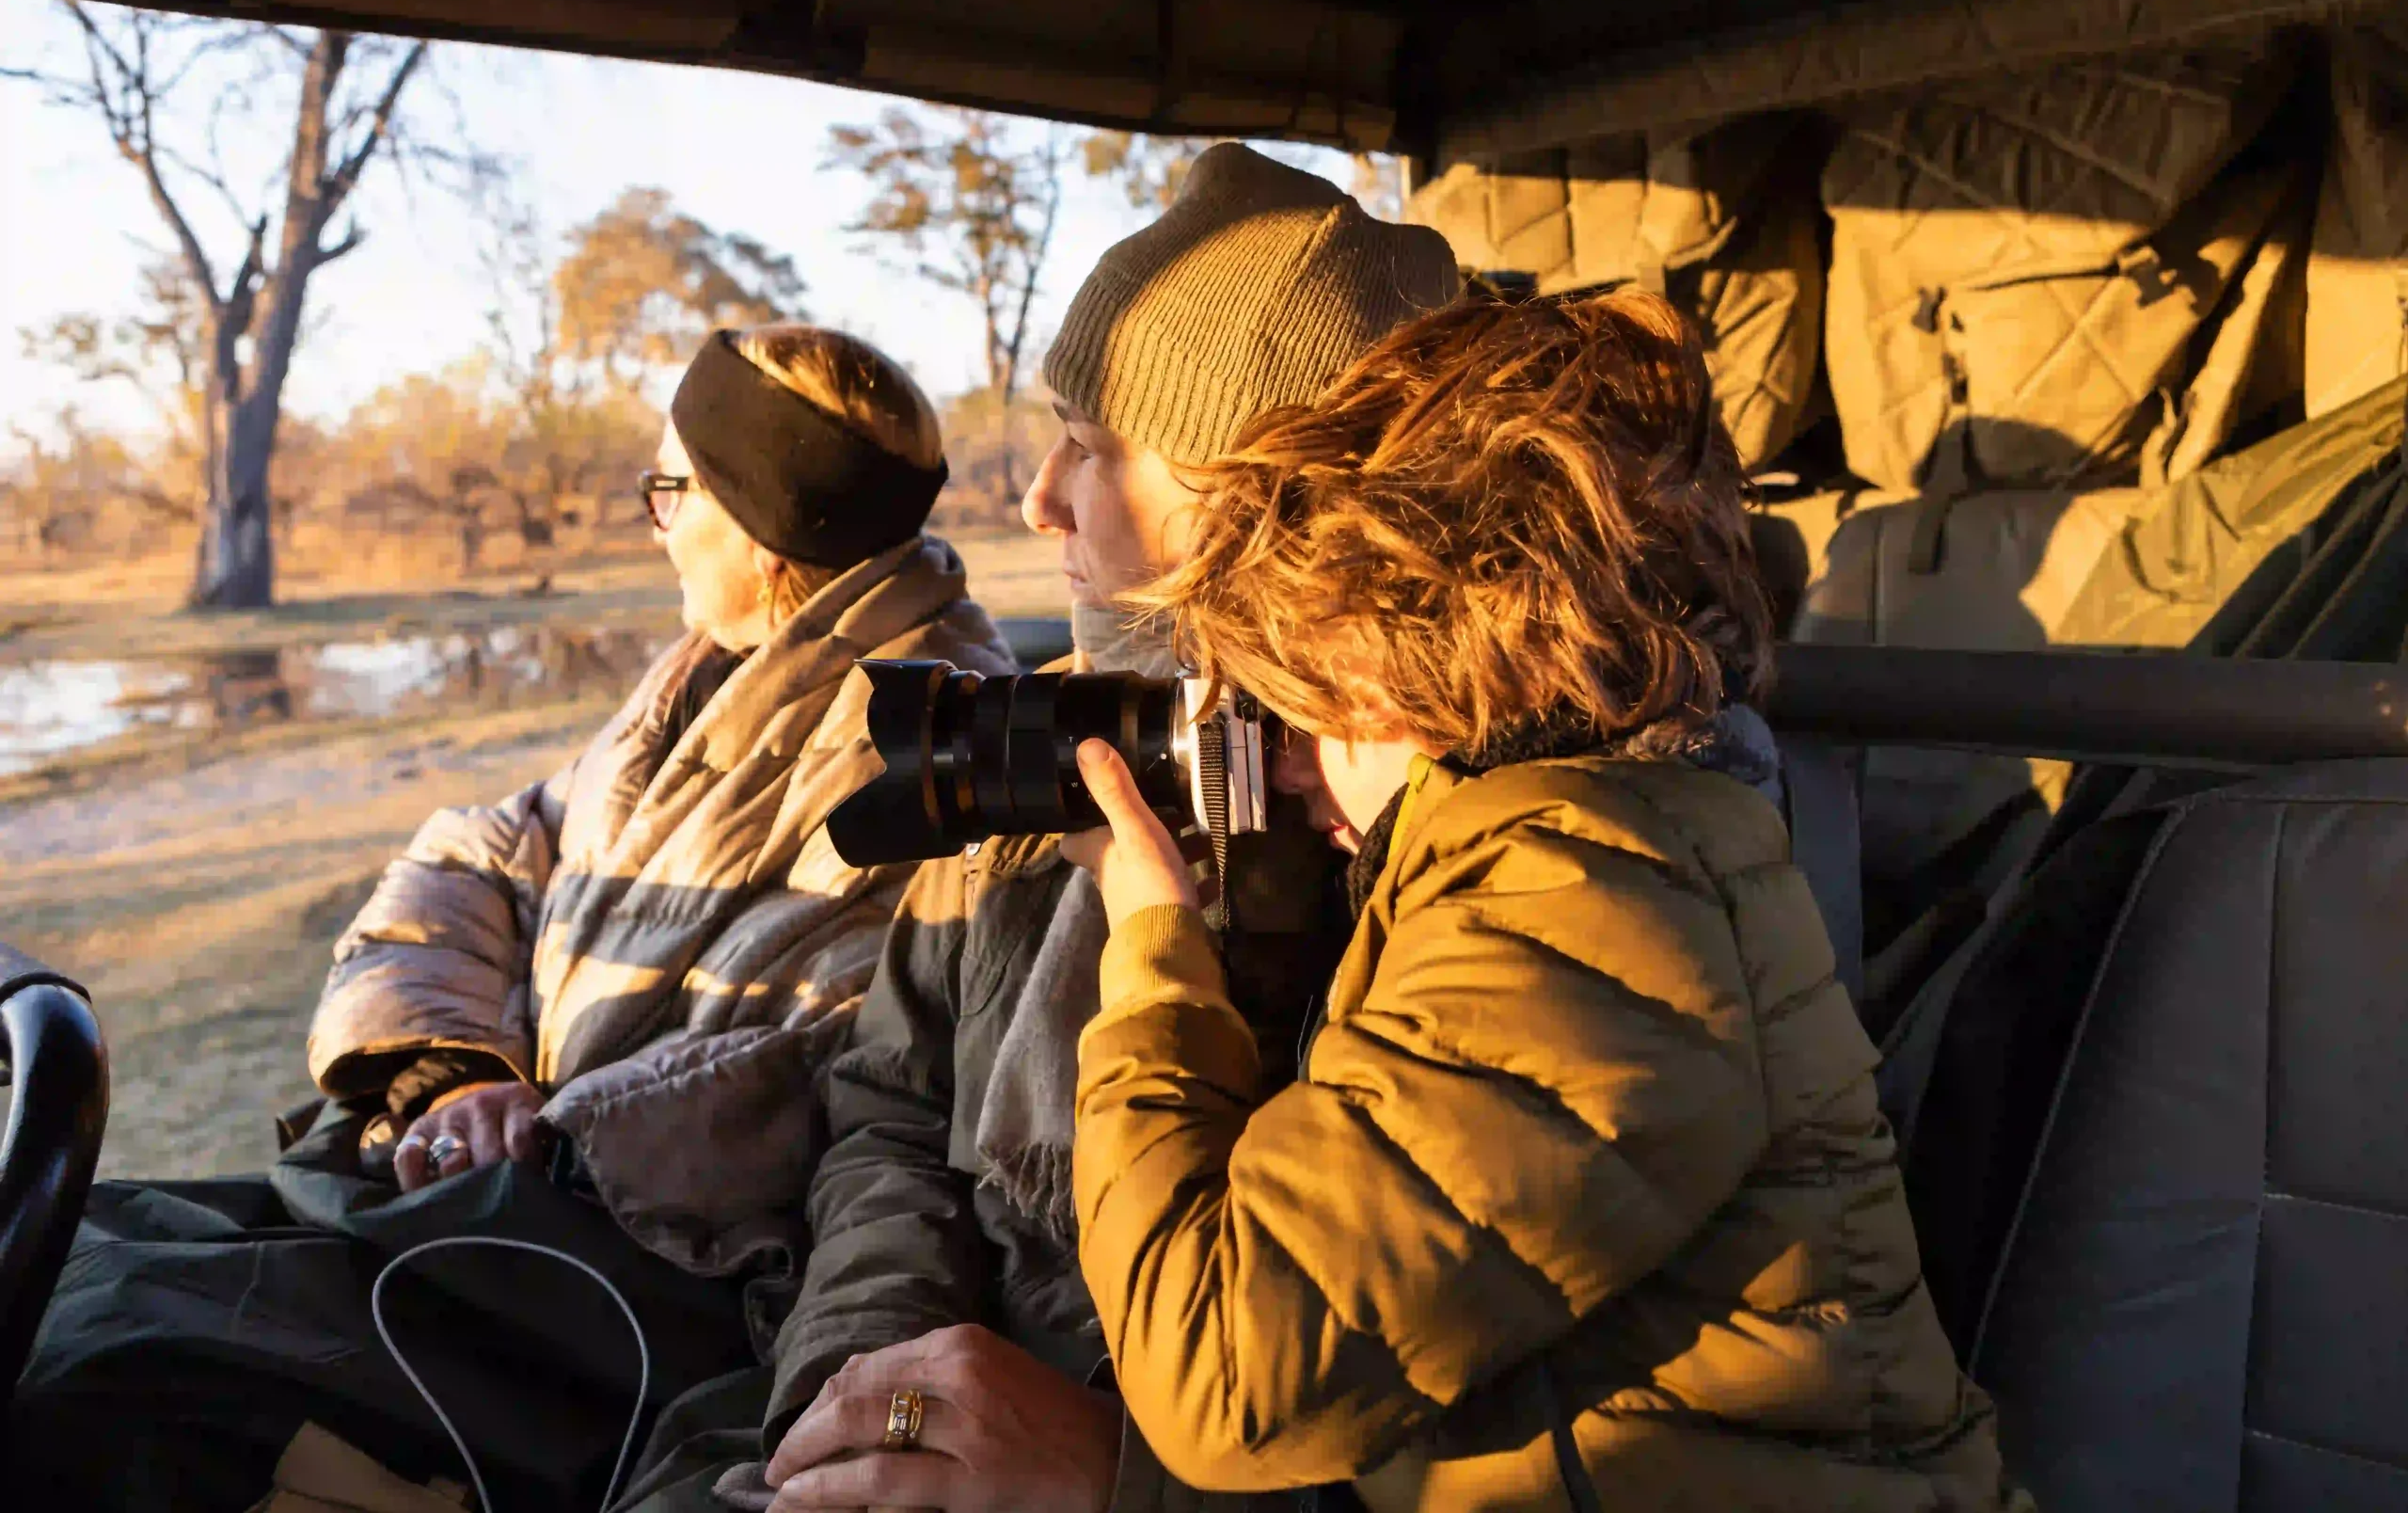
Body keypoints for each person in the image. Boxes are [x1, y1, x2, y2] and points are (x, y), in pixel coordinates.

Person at [1037, 289, 2024, 1508]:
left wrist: (1153, 954)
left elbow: (1223, 1379)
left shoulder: (1591, 886)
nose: (1284, 761)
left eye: (1303, 697)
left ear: (1405, 660)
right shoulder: (1571, 847)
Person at [10, 325, 1014, 1513]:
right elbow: (488, 849)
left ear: (761, 519)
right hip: (495, 1194)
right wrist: (451, 1066)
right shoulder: (703, 679)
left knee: (108, 1372)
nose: (654, 523)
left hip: (639, 1273)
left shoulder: (932, 745)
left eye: (671, 490)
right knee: (87, 1252)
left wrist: (558, 1125)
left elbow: (847, 1057)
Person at [613, 144, 1459, 1513]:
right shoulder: (1038, 753)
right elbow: (891, 1112)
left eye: (1099, 444)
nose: (1038, 497)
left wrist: (1108, 1474)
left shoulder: (1433, 852)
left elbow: (1447, 1404)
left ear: (1264, 499)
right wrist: (870, 1396)